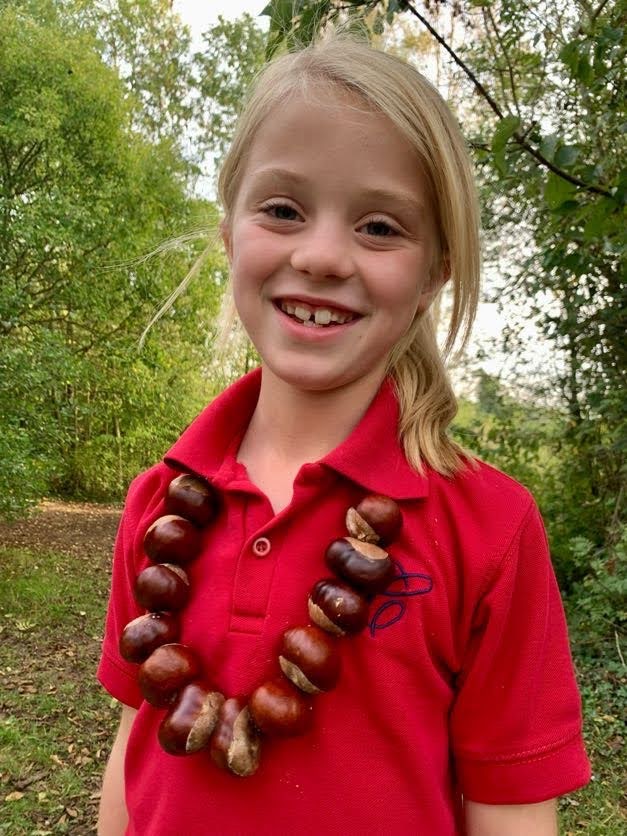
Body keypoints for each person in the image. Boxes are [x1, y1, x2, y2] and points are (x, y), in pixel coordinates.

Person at [97, 34, 590, 836]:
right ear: (229, 232)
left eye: (380, 227)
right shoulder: (158, 507)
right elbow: (134, 740)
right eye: (283, 209)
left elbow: (512, 812)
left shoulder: (490, 529)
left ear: (435, 272)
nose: (322, 256)